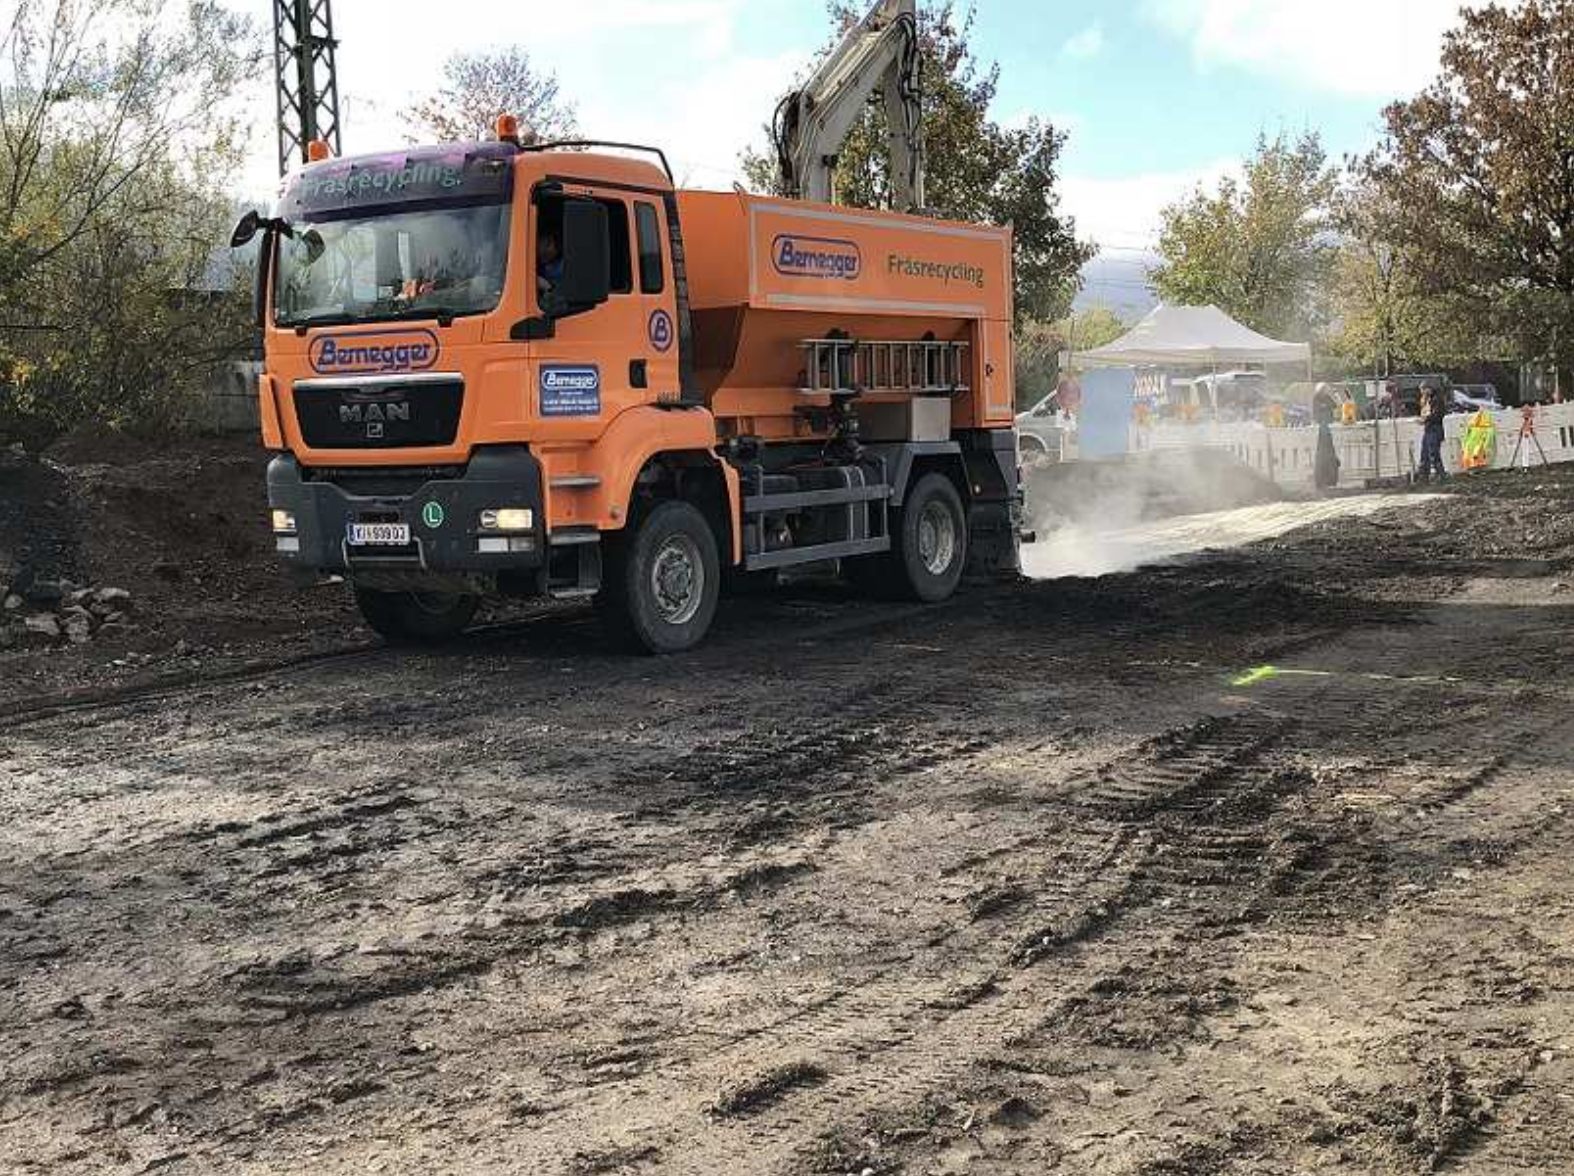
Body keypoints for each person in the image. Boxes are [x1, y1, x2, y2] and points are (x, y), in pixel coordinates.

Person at [1417, 382, 1448, 483]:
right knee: (1425, 453)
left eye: (1423, 390)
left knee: (1433, 453)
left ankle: (1440, 474)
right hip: (1429, 428)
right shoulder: (1429, 399)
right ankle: (1424, 475)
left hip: (1434, 428)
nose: (1422, 393)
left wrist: (1425, 419)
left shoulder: (1436, 399)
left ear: (1428, 389)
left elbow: (1437, 415)